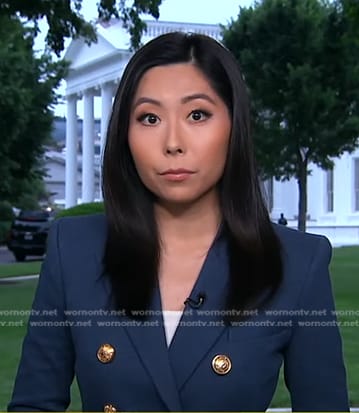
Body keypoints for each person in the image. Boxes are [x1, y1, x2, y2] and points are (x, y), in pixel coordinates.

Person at [8, 32, 349, 412]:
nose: (173, 142)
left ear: (234, 127)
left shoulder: (298, 263)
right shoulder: (72, 250)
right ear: (125, 135)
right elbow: (34, 405)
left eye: (197, 115)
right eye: (150, 118)